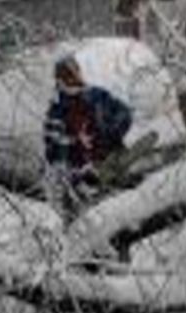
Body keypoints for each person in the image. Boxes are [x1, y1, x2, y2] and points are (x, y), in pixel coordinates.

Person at [43, 55, 132, 223]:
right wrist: (74, 142)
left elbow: (124, 114)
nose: (73, 79)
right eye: (68, 77)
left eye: (75, 74)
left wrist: (111, 133)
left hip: (111, 161)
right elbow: (52, 152)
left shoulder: (96, 96)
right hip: (80, 177)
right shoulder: (55, 113)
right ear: (59, 80)